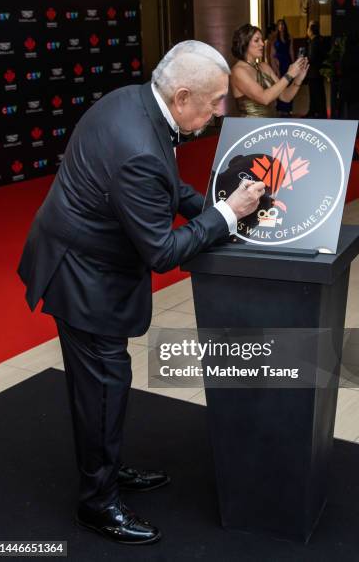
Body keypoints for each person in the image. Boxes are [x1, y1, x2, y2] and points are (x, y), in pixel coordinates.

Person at [17, 40, 265, 545]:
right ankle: (98, 503)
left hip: (83, 256)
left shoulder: (136, 100)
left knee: (104, 389)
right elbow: (161, 251)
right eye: (214, 100)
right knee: (103, 388)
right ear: (181, 95)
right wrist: (226, 215)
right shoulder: (138, 149)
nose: (220, 110)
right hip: (83, 278)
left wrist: (213, 211)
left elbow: (166, 187)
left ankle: (108, 467)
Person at [230, 23, 308, 118]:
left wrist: (298, 78)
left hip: (269, 128)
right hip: (251, 127)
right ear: (244, 44)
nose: (262, 44)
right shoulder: (238, 71)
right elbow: (264, 98)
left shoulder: (264, 66)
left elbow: (285, 97)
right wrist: (289, 74)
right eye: (256, 40)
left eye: (261, 40)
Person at [339, 32, 359, 160]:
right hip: (358, 90)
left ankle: (350, 149)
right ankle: (353, 150)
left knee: (350, 119)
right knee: (357, 120)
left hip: (347, 91)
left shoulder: (346, 53)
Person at [271, 18, 295, 116]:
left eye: (283, 24)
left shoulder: (289, 37)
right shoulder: (274, 39)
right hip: (279, 64)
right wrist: (274, 67)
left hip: (287, 63)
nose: (281, 26)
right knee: (280, 85)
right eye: (279, 25)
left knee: (289, 85)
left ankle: (288, 108)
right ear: (277, 27)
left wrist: (293, 64)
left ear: (285, 26)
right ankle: (281, 108)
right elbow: (272, 54)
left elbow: (291, 51)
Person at [306, 21, 327, 119]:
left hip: (313, 72)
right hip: (319, 71)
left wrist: (305, 60)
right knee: (319, 93)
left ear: (311, 31)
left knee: (314, 93)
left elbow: (312, 57)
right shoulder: (321, 40)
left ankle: (315, 112)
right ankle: (319, 111)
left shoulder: (313, 42)